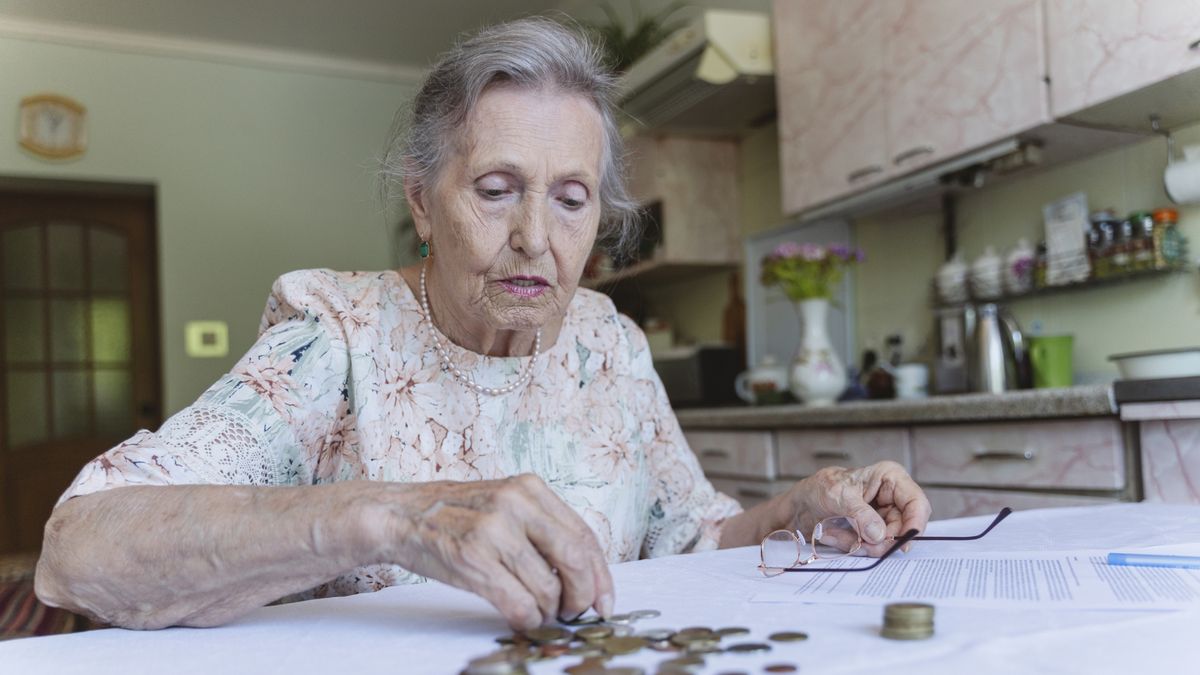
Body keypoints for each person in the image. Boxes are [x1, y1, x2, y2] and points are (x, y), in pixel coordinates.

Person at [34, 17, 931, 632]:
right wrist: (393, 515)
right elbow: (77, 550)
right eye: (497, 190)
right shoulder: (336, 336)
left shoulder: (608, 343)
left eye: (571, 199)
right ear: (423, 202)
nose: (536, 237)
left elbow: (691, 536)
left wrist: (797, 512)